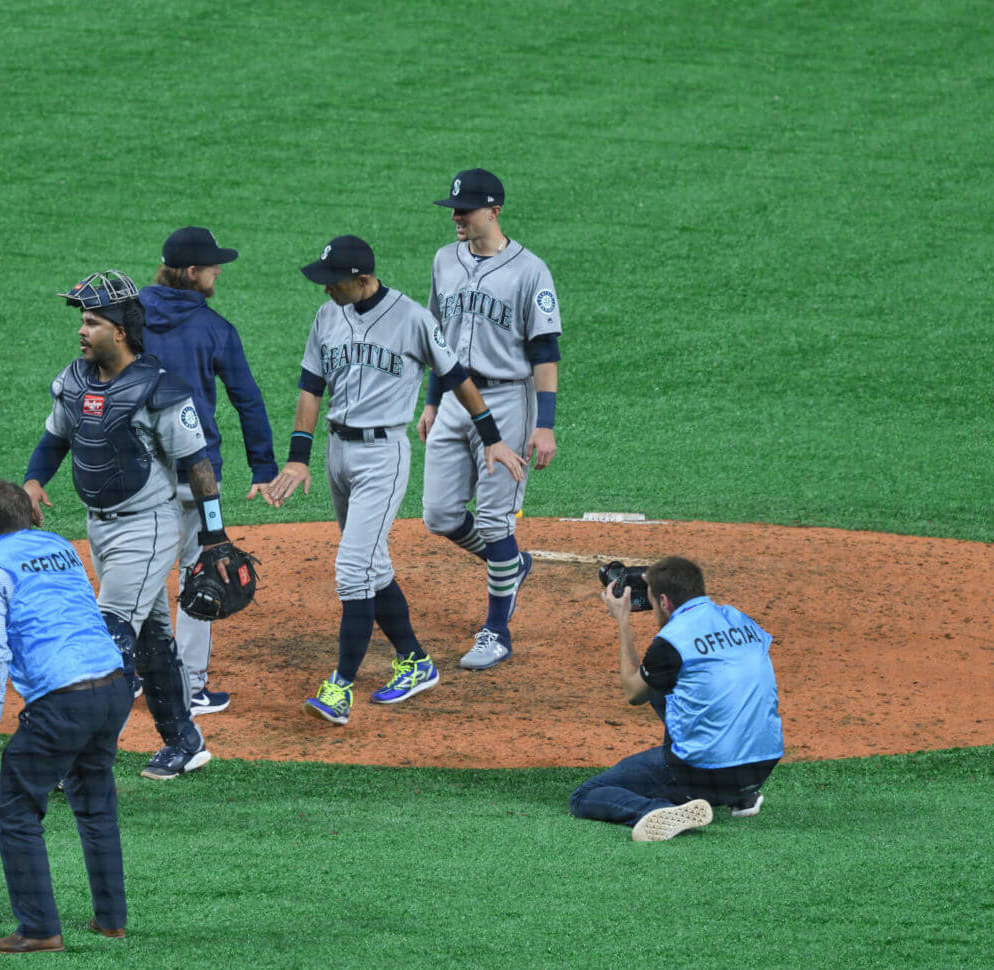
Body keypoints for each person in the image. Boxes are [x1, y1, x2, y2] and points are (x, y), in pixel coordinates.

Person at [260, 235, 524, 725]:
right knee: (372, 569)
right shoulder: (328, 317)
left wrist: (491, 437)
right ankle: (416, 662)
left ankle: (340, 687)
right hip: (338, 454)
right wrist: (299, 457)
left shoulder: (412, 319)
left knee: (350, 570)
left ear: (362, 279)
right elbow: (310, 387)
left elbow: (456, 375)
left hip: (383, 455)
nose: (325, 292)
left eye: (333, 283)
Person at [22, 269, 232, 780]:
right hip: (100, 529)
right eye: (81, 321)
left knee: (107, 637)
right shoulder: (73, 382)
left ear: (119, 330)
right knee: (152, 640)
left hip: (150, 527)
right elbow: (55, 440)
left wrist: (215, 536)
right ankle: (185, 742)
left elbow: (198, 466)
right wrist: (32, 481)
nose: (81, 330)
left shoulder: (160, 391)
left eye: (91, 322)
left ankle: (76, 759)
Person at [0, 480, 131, 954]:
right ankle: (111, 921)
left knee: (14, 807)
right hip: (112, 686)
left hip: (62, 698)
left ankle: (39, 929)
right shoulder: (61, 547)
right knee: (94, 799)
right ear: (29, 516)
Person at [418, 168, 561, 671]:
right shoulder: (443, 260)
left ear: (494, 211)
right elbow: (437, 338)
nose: (456, 217)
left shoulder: (530, 271)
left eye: (466, 209)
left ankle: (497, 631)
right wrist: (432, 401)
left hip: (508, 402)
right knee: (438, 515)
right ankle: (510, 564)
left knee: (497, 519)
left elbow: (545, 351)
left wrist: (545, 424)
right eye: (454, 209)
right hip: (456, 398)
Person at [139, 226, 276, 716]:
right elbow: (248, 401)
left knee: (141, 573)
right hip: (199, 477)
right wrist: (263, 466)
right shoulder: (214, 329)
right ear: (191, 272)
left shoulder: (126, 320)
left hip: (138, 477)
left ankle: (137, 671)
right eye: (214, 265)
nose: (220, 271)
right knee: (200, 576)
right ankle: (191, 685)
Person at [570, 556, 784, 842]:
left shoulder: (671, 642)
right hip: (761, 767)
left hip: (704, 775)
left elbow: (634, 693)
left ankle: (659, 810)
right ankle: (742, 799)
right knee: (674, 683)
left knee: (586, 795)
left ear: (665, 602)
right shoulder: (738, 617)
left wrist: (622, 621)